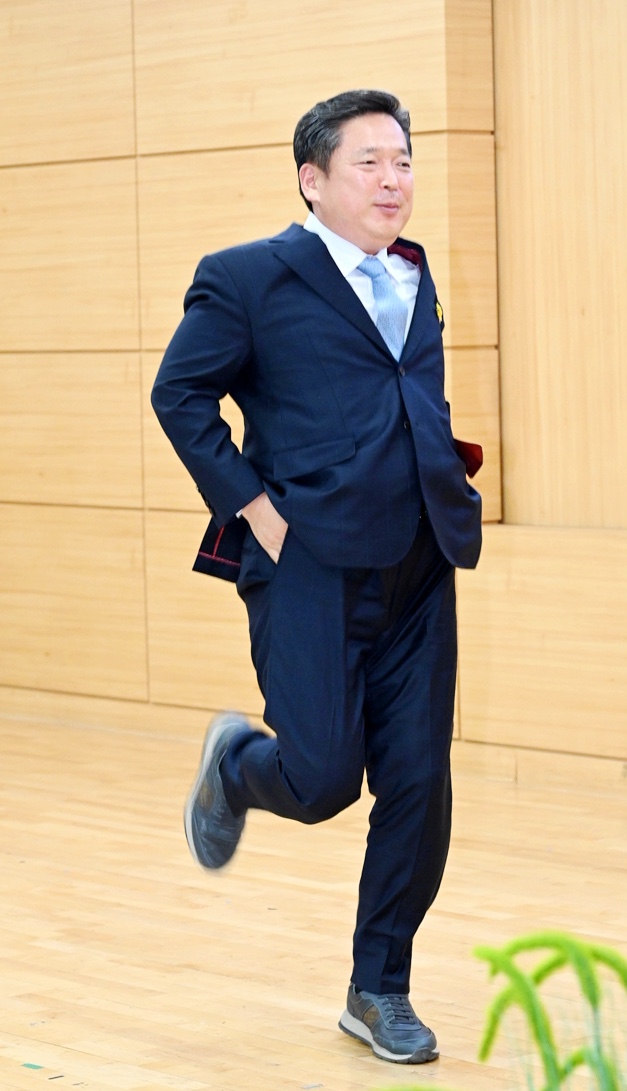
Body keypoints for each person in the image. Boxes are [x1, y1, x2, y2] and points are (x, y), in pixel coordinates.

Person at [151, 88, 482, 1066]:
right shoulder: (247, 277)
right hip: (310, 567)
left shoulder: (413, 271)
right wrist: (253, 507)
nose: (393, 180)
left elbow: (402, 395)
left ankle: (379, 987)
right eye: (368, 162)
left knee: (419, 780)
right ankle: (236, 767)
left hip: (419, 561)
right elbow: (179, 393)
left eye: (403, 161)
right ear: (312, 178)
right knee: (322, 777)